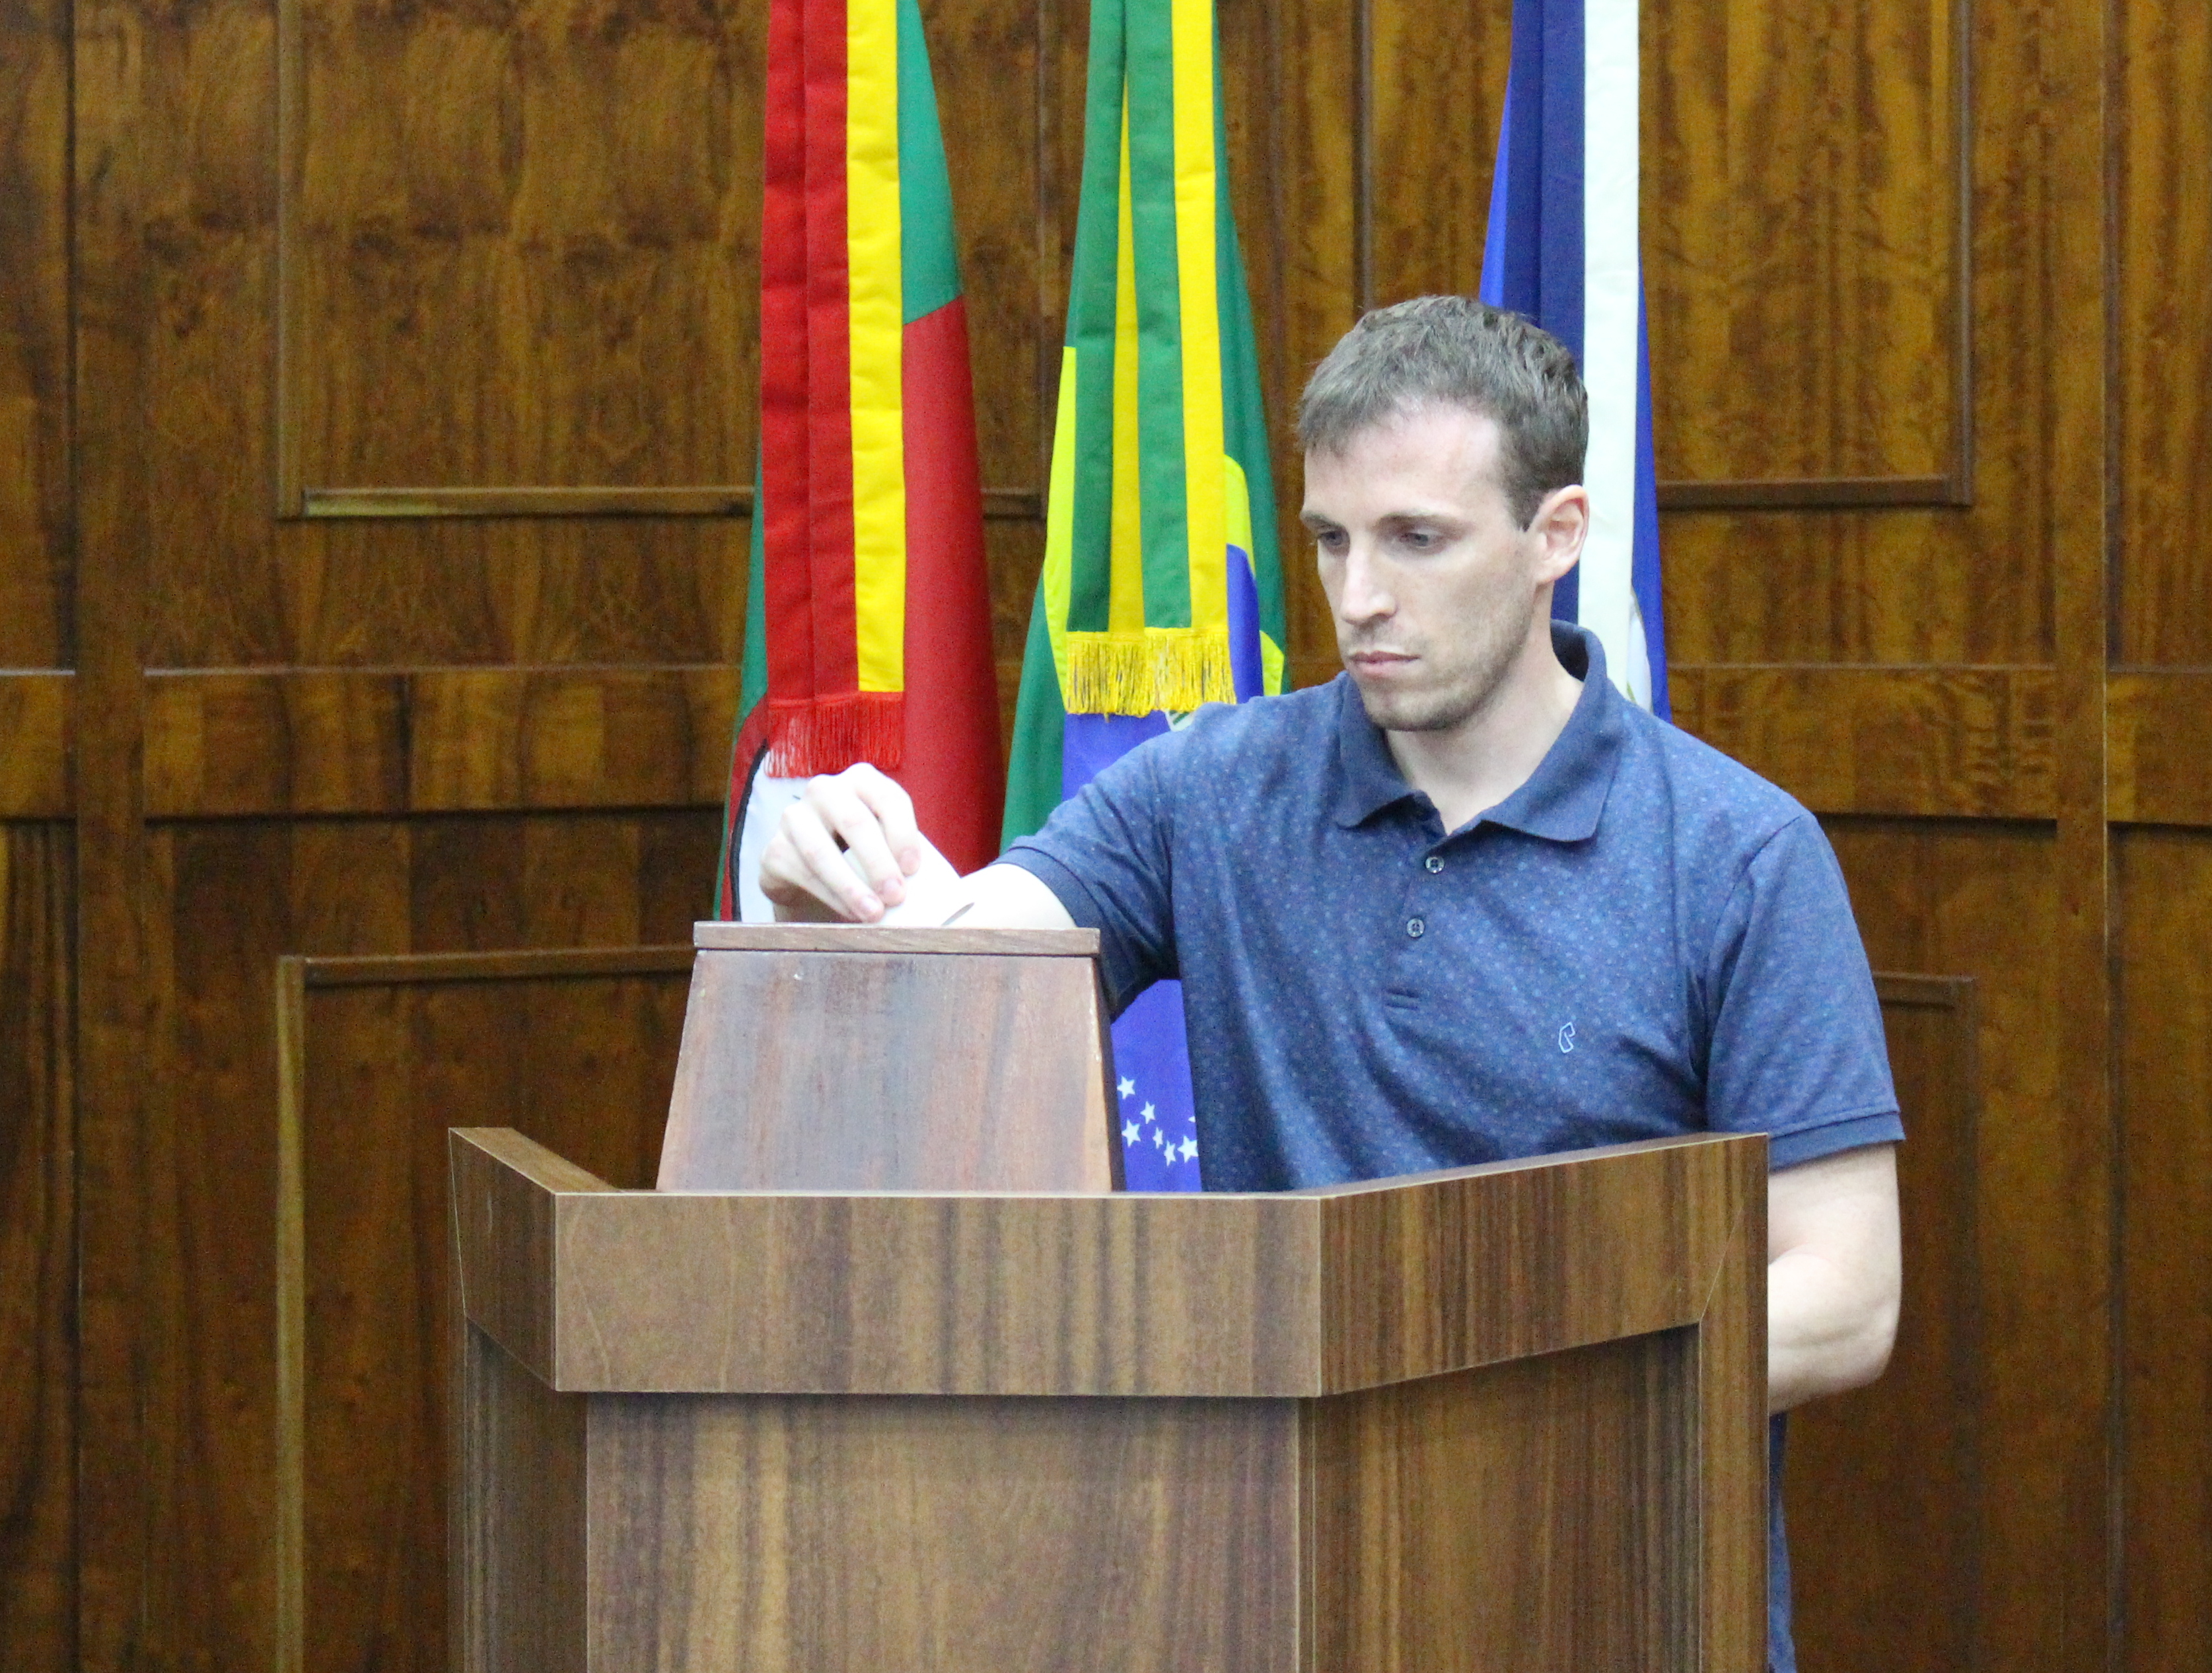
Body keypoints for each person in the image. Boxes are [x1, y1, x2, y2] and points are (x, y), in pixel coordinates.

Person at [759, 295, 1902, 1673]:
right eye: (1330, 539)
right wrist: (813, 872)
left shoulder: (1737, 854)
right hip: (1281, 1594)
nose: (1359, 597)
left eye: (1416, 538)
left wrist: (1450, 1379)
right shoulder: (1208, 788)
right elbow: (961, 967)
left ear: (1556, 535)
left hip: (1611, 1592)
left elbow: (1846, 1295)